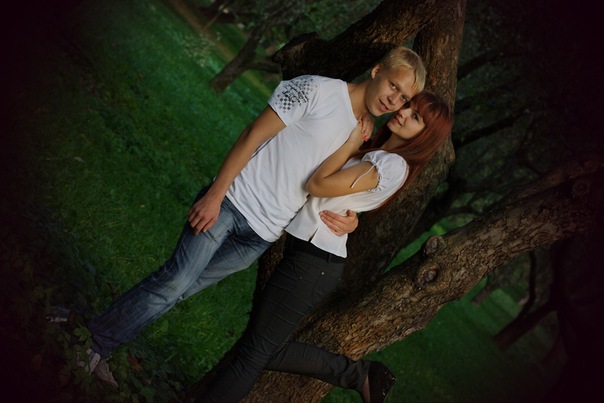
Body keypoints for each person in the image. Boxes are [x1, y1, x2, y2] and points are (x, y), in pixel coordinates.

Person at [78, 46, 427, 387]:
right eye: (393, 86)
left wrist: (353, 220)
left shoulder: (363, 134)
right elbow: (253, 134)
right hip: (231, 203)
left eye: (403, 98)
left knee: (179, 290)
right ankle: (93, 345)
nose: (393, 100)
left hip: (261, 235)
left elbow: (341, 188)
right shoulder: (317, 89)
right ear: (376, 71)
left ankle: (94, 336)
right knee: (174, 283)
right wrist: (216, 194)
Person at [199, 90, 454, 403]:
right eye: (408, 106)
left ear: (425, 137)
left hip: (314, 262)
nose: (402, 112)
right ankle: (360, 375)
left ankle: (357, 374)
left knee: (253, 354)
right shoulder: (380, 154)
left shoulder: (391, 165)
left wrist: (350, 144)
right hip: (310, 255)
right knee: (263, 348)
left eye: (415, 117)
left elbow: (318, 184)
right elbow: (340, 192)